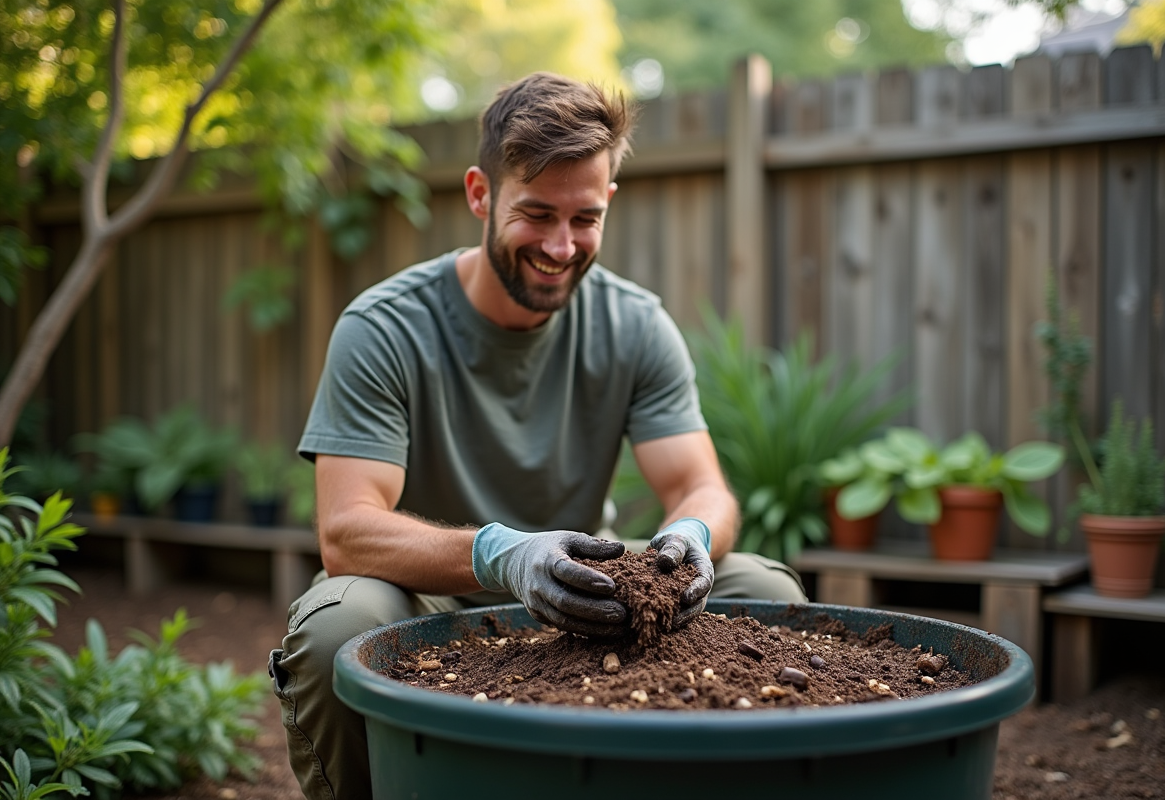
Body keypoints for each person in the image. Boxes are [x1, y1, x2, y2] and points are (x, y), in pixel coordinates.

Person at [269, 72, 807, 800]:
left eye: (584, 218)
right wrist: (505, 553)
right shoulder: (385, 327)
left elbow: (701, 487)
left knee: (765, 586)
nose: (560, 246)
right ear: (479, 195)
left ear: (609, 201)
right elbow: (347, 532)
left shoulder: (635, 325)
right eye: (536, 214)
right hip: (432, 592)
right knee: (337, 626)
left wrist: (688, 539)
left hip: (585, 582)